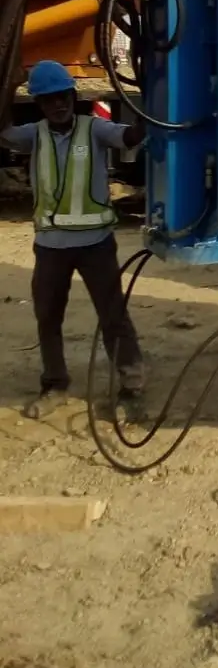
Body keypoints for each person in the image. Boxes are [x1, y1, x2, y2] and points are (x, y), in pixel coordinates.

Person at [0, 60, 147, 416]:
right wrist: (9, 79)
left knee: (113, 315)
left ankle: (132, 384)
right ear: (40, 104)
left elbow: (128, 136)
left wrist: (151, 108)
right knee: (47, 317)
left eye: (63, 97)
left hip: (96, 245)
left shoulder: (93, 129)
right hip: (51, 249)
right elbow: (1, 129)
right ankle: (55, 384)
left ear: (72, 96)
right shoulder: (32, 134)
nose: (58, 104)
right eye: (49, 100)